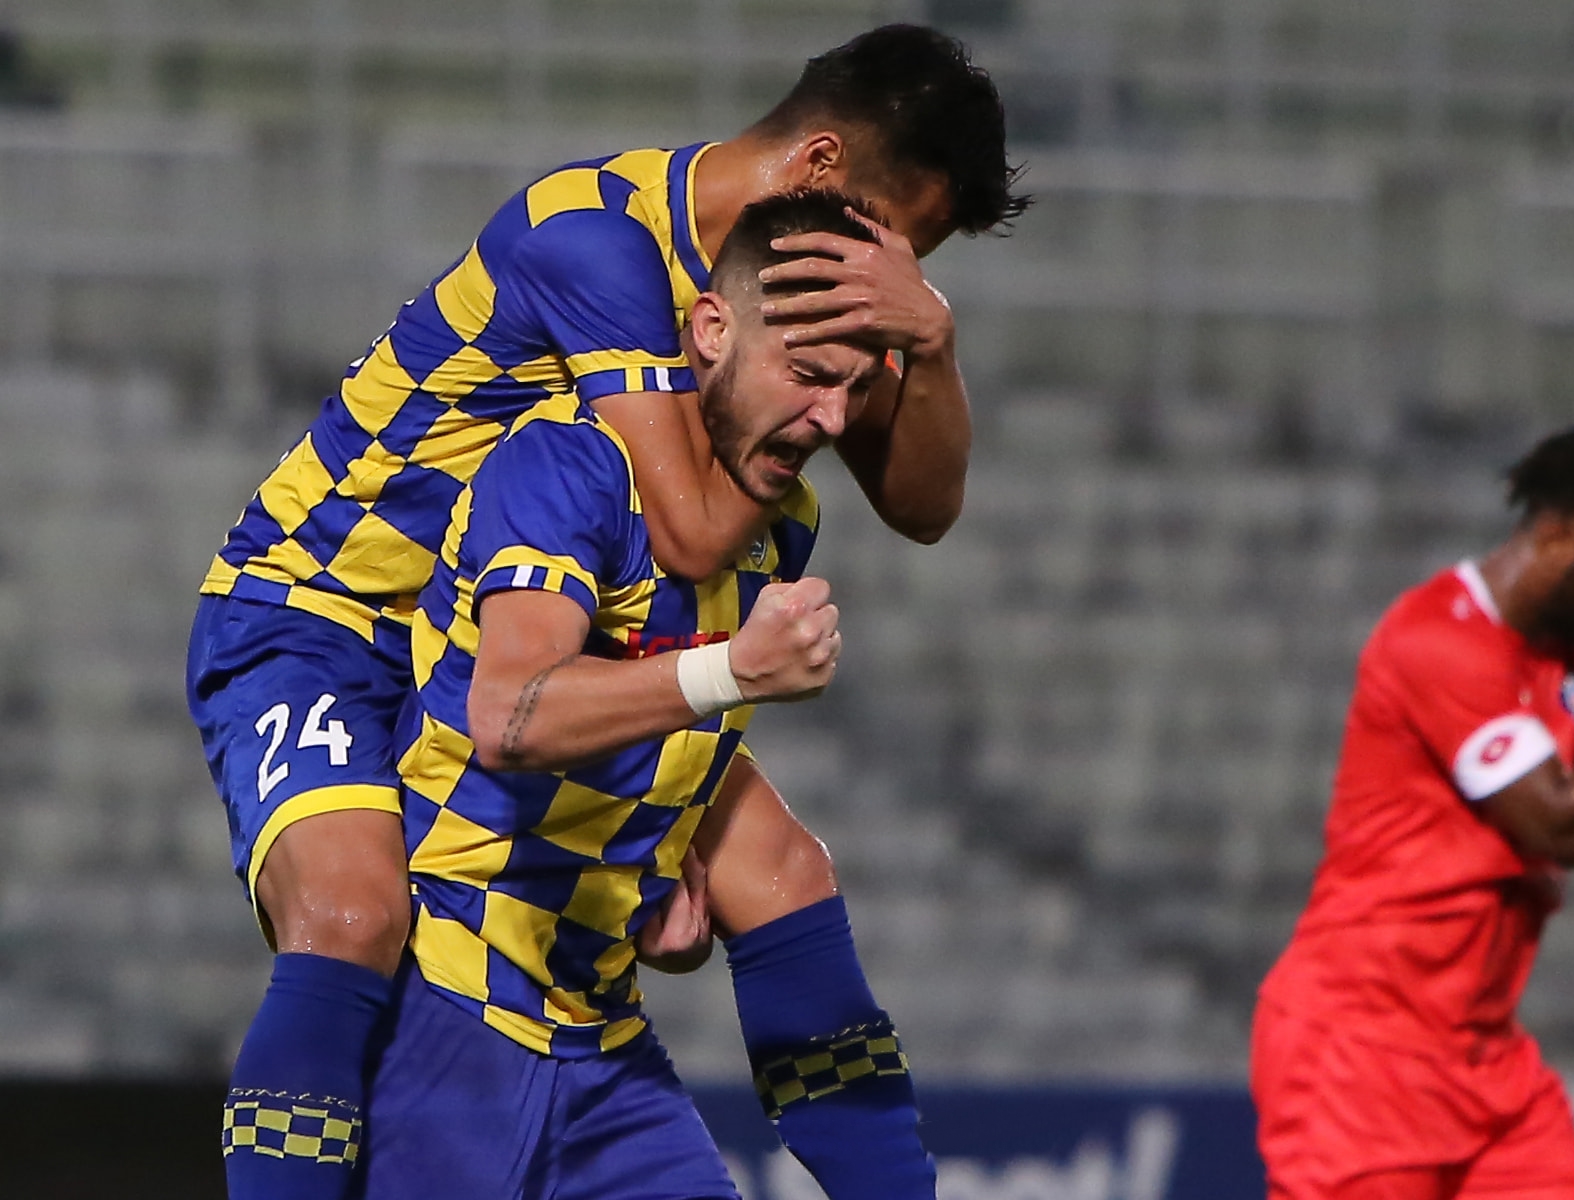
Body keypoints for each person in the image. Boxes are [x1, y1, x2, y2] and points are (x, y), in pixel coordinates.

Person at [191, 24, 1027, 1200]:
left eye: (909, 271)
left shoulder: (799, 318)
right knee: (351, 909)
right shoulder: (596, 241)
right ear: (822, 170)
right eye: (893, 240)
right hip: (324, 612)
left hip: (513, 625)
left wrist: (927, 341)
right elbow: (690, 532)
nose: (885, 277)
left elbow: (925, 508)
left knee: (782, 872)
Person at [343, 189, 896, 1199]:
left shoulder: (781, 523)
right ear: (711, 330)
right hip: (448, 1020)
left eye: (856, 390)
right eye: (811, 375)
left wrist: (645, 880)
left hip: (600, 1045)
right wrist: (733, 671)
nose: (832, 418)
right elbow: (510, 714)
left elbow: (654, 744)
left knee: (791, 867)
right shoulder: (572, 462)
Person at [1251, 424, 1574, 1200]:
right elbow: (1561, 826)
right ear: (1558, 534)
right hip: (1360, 1049)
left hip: (1482, 1059)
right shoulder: (1440, 638)